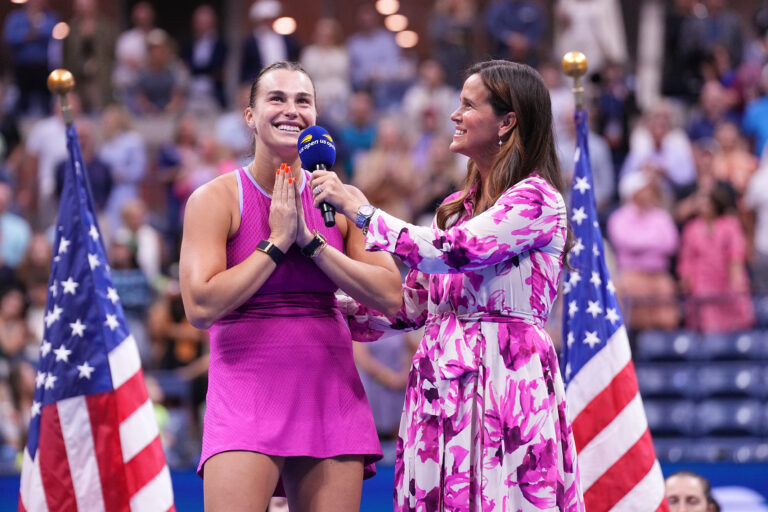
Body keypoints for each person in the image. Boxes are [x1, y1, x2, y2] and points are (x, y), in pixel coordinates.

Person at [310, 60, 584, 510]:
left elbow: (453, 251)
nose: (455, 115)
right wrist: (328, 304)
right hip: (441, 382)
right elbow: (411, 306)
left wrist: (361, 212)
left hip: (505, 379)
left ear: (507, 122)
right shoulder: (457, 206)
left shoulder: (536, 199)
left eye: (468, 105)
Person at [178, 61, 402, 511]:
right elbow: (200, 306)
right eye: (276, 98)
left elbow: (390, 295)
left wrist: (313, 244)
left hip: (328, 383)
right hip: (245, 383)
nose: (291, 110)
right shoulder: (215, 198)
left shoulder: (343, 198)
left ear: (315, 116)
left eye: (303, 101)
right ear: (250, 116)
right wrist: (277, 243)